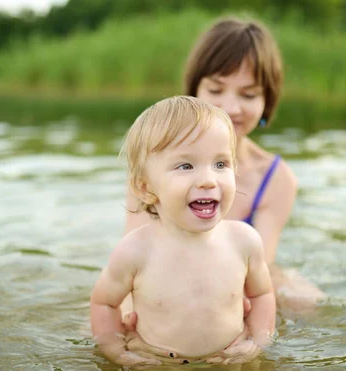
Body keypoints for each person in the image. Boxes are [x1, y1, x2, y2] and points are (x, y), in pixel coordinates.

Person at [122, 16, 325, 348]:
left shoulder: (276, 178)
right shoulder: (155, 164)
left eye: (248, 94)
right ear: (194, 92)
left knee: (307, 302)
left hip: (238, 272)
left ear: (266, 102)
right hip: (162, 266)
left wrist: (250, 339)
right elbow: (132, 256)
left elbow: (257, 270)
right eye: (216, 90)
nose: (230, 108)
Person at [90, 96, 276, 366]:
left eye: (221, 164)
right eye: (186, 166)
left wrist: (258, 340)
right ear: (145, 187)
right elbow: (104, 303)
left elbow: (262, 295)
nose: (208, 180)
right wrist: (114, 347)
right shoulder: (136, 250)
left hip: (227, 360)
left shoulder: (244, 241)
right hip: (160, 363)